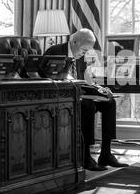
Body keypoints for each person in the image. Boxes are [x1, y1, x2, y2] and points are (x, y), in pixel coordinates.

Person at [44, 28, 129, 171]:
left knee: (109, 101)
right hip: (62, 97)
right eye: (84, 49)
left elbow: (84, 80)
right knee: (88, 106)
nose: (86, 53)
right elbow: (46, 77)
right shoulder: (55, 51)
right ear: (74, 41)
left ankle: (106, 154)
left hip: (80, 93)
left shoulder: (81, 56)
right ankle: (85, 157)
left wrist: (99, 90)